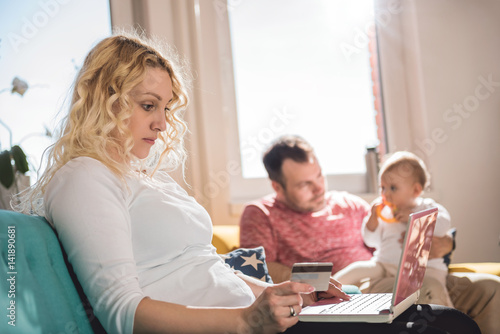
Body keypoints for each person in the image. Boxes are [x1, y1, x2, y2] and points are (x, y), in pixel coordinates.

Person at [16, 32, 477, 334]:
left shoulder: (143, 177)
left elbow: (206, 269)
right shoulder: (83, 177)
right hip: (244, 328)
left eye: (165, 108)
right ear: (106, 97)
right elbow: (121, 311)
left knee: (437, 320)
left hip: (267, 319)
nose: (160, 123)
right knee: (443, 326)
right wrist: (245, 320)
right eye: (147, 104)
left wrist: (292, 293)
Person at [240, 134, 500, 334]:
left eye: (319, 175)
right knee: (427, 290)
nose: (318, 187)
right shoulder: (260, 213)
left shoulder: (350, 204)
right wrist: (322, 283)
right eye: (304, 184)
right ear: (278, 186)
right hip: (355, 289)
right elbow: (260, 271)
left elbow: (393, 236)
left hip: (400, 275)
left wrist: (444, 245)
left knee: (491, 289)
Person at [333, 151, 454, 307]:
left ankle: (450, 316)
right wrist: (372, 220)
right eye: (382, 188)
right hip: (384, 265)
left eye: (393, 188)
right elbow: (371, 241)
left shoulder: (427, 207)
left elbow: (444, 225)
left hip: (424, 269)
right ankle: (326, 288)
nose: (385, 194)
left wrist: (415, 216)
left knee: (434, 287)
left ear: (415, 191)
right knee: (357, 269)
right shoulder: (384, 212)